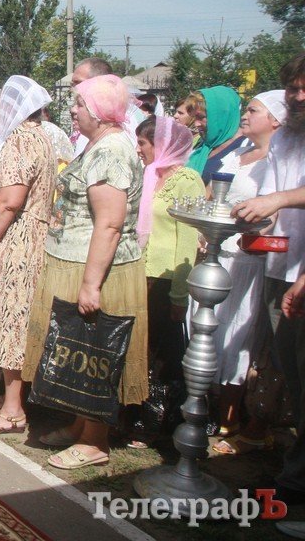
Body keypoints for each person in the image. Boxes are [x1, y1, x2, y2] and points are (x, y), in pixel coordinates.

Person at [24, 74, 147, 470]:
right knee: (76, 350)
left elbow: (109, 224)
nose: (72, 110)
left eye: (79, 104)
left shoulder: (111, 151)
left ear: (98, 111)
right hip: (74, 260)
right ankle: (80, 426)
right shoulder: (97, 145)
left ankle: (95, 441)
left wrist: (91, 284)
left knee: (94, 352)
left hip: (97, 269)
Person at [233, 57, 305, 509]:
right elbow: (275, 207)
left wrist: (276, 199)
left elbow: (281, 195)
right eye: (293, 88)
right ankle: (295, 473)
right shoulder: (288, 138)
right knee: (295, 378)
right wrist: (256, 232)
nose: (298, 97)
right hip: (282, 270)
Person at [0, 76, 55, 434]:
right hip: (28, 239)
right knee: (15, 321)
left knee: (10, 323)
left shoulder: (21, 140)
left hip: (14, 243)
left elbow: (10, 199)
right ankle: (12, 399)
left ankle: (14, 410)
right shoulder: (41, 136)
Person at [212, 90, 282, 454]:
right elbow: (214, 192)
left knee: (238, 336)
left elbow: (276, 213)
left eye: (254, 109)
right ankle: (211, 407)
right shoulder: (239, 153)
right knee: (211, 329)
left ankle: (230, 413)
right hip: (220, 249)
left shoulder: (276, 161)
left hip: (251, 259)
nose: (246, 113)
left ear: (275, 120)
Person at [126, 115, 202, 448]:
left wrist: (179, 293)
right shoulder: (149, 175)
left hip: (166, 278)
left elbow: (186, 240)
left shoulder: (187, 180)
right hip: (140, 273)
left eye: (143, 143)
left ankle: (163, 423)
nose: (138, 149)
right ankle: (135, 415)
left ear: (162, 144)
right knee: (137, 348)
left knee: (163, 355)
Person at [188, 85, 243, 181]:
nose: (196, 124)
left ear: (222, 115)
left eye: (201, 117)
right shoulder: (202, 145)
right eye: (195, 118)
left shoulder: (243, 148)